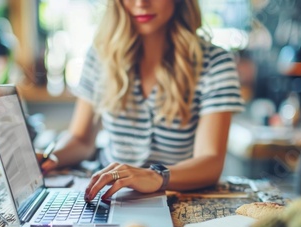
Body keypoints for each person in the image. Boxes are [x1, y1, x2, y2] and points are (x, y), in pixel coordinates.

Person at [41, 0, 244, 203]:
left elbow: (210, 162)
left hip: (176, 196)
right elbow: (81, 139)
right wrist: (51, 158)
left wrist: (156, 177)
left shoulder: (215, 62)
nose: (141, 3)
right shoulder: (101, 55)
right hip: (106, 195)